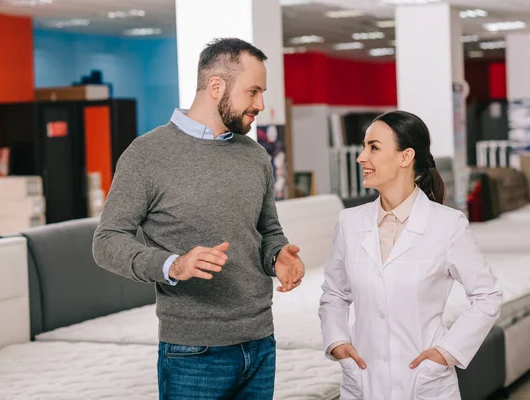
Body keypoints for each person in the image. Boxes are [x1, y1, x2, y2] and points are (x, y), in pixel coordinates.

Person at [93, 37, 305, 400]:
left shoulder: (255, 156)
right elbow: (106, 241)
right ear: (216, 86)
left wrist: (278, 256)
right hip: (193, 352)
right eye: (253, 92)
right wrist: (173, 265)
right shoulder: (146, 155)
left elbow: (267, 230)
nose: (261, 105)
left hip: (260, 341)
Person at [319, 110, 503, 400]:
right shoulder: (349, 223)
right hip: (363, 382)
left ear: (405, 157)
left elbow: (487, 296)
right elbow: (334, 294)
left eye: (374, 148)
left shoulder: (447, 224)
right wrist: (337, 342)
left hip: (424, 382)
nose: (361, 157)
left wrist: (445, 353)